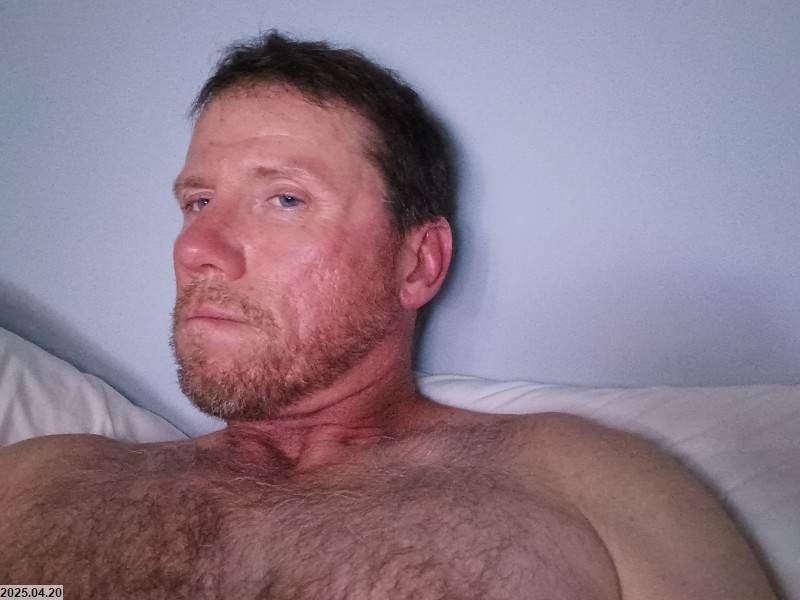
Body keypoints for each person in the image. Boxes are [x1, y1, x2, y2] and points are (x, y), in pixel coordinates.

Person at [0, 32, 777, 600]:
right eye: (197, 202)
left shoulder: (590, 486)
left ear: (417, 263)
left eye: (285, 199)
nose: (197, 248)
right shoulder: (38, 482)